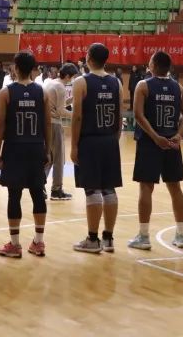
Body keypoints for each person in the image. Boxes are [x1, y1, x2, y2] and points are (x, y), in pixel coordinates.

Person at [128, 51, 183, 251]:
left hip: (150, 143)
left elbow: (138, 115)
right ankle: (181, 235)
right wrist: (179, 135)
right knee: (175, 188)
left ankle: (144, 236)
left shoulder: (143, 85)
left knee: (146, 188)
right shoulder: (178, 88)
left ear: (153, 65)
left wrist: (155, 137)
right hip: (172, 143)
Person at [0, 50, 52, 258]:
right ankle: (39, 242)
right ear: (33, 69)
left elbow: (0, 125)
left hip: (14, 148)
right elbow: (47, 124)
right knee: (38, 193)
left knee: (14, 195)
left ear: (16, 68)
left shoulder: (6, 92)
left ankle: (15, 244)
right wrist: (47, 149)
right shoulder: (42, 92)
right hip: (36, 147)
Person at [70, 43, 123, 254]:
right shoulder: (116, 82)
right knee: (109, 189)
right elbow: (119, 115)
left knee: (92, 189)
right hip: (110, 140)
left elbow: (77, 117)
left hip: (89, 141)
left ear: (89, 58)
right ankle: (108, 238)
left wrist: (74, 145)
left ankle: (92, 239)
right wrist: (114, 138)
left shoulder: (81, 82)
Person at [44, 63, 78, 201]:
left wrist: (74, 98)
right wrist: (77, 115)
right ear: (68, 76)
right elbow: (60, 111)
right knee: (59, 159)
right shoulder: (60, 87)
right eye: (73, 77)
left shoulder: (51, 83)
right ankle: (56, 190)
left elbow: (59, 104)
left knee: (49, 158)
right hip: (54, 124)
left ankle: (39, 186)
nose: (72, 80)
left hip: (46, 124)